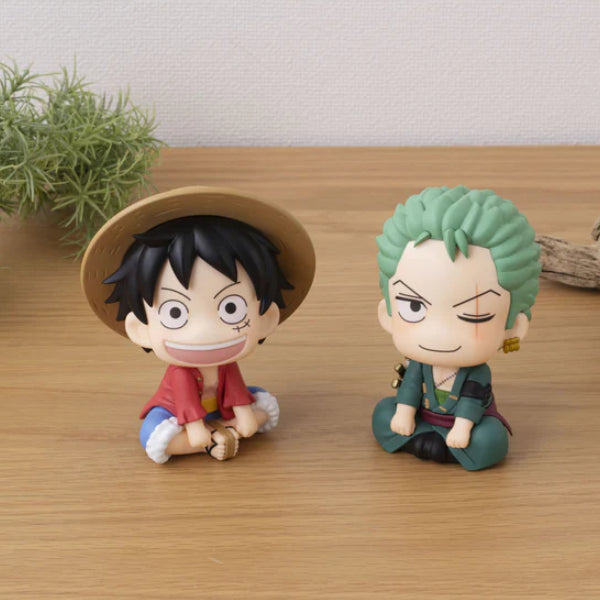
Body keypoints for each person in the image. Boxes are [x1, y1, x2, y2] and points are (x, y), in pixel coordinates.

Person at [81, 187, 315, 464]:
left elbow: (236, 390)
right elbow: (185, 402)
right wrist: (195, 430)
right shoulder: (181, 374)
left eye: (231, 308)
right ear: (140, 330)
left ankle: (221, 433)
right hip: (176, 414)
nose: (204, 332)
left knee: (260, 400)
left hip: (220, 409)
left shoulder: (227, 365)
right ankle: (211, 441)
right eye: (175, 313)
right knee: (151, 432)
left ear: (266, 319)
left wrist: (244, 415)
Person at [372, 186, 541, 471]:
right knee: (383, 413)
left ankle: (441, 444)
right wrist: (404, 413)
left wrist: (462, 429)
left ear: (513, 328)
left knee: (490, 439)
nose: (439, 334)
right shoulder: (418, 364)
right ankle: (428, 440)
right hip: (422, 420)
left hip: (463, 430)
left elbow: (472, 402)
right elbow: (410, 389)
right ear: (387, 315)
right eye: (413, 307)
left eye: (474, 315)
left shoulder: (477, 372)